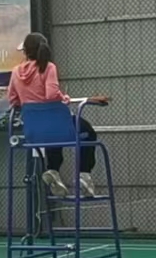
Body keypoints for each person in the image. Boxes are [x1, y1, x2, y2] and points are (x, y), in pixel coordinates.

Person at [7, 32, 110, 197]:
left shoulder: (16, 72)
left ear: (26, 51)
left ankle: (53, 170)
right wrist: (64, 97)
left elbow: (13, 100)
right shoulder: (48, 67)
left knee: (52, 134)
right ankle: (84, 174)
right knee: (87, 131)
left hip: (34, 132)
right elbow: (51, 94)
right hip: (57, 124)